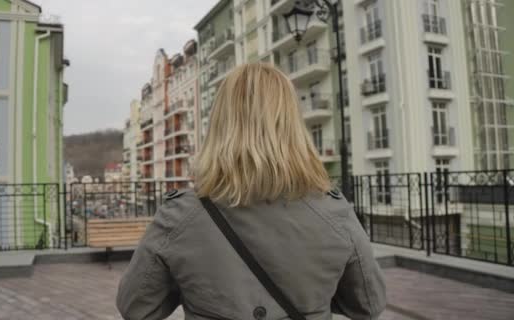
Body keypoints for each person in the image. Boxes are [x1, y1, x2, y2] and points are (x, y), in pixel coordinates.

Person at [117, 63, 386, 319]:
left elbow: (136, 308)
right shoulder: (334, 214)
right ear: (292, 125)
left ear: (221, 124)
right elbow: (369, 305)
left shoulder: (180, 216)